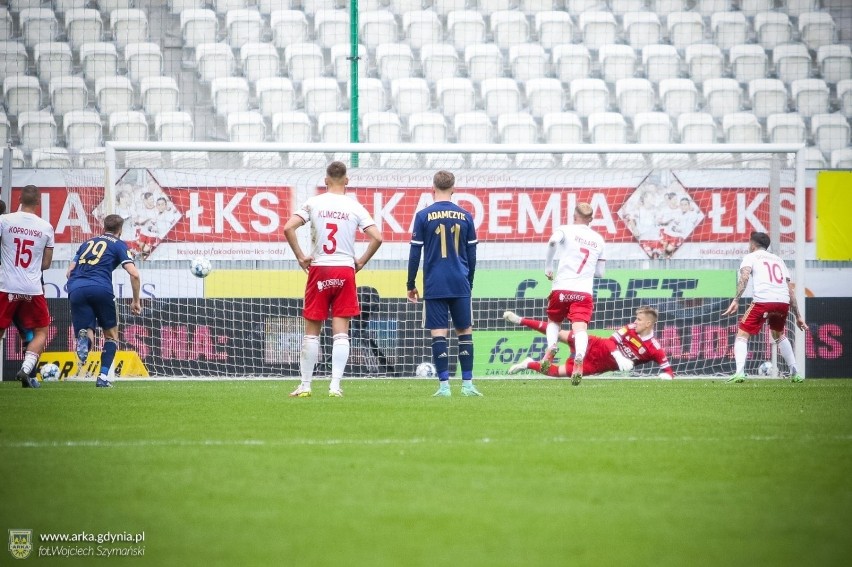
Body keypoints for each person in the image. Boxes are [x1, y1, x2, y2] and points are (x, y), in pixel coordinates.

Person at [284, 161, 383, 398]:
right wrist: (360, 262)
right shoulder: (355, 206)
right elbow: (377, 238)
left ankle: (306, 385)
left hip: (320, 269)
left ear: (326, 180)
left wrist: (300, 257)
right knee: (341, 333)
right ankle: (335, 386)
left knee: (311, 333)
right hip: (344, 271)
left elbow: (288, 228)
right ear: (346, 180)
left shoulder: (314, 203)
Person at [407, 170, 480, 397]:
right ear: (454, 189)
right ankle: (467, 385)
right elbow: (472, 254)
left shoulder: (422, 216)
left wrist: (411, 283)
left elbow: (414, 254)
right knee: (465, 332)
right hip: (460, 282)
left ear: (432, 188)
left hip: (434, 284)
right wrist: (469, 281)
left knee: (439, 334)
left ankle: (444, 387)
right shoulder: (466, 215)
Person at [67, 214, 143, 388]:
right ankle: (102, 377)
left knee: (87, 330)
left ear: (104, 227)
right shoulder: (119, 245)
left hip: (76, 288)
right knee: (111, 336)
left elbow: (69, 271)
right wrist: (136, 301)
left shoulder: (86, 243)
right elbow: (134, 273)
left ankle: (84, 339)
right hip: (100, 288)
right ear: (120, 230)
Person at [721, 231, 807, 383]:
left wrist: (736, 299)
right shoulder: (779, 260)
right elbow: (789, 290)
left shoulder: (750, 257)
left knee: (742, 335)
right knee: (778, 334)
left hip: (763, 301)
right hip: (782, 302)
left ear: (752, 244)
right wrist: (798, 316)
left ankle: (739, 372)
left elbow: (745, 276)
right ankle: (795, 371)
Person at [504, 306, 673, 380]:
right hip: (593, 344)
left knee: (556, 373)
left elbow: (668, 371)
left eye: (639, 319)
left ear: (648, 324)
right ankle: (520, 320)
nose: (635, 322)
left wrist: (665, 376)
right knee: (559, 334)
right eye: (636, 318)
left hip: (596, 365)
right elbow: (611, 342)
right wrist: (619, 357)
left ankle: (527, 364)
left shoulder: (654, 348)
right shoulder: (629, 328)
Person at [539, 202, 605, 385]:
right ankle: (580, 357)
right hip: (583, 291)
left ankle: (552, 347)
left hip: (561, 288)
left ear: (574, 215)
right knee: (580, 328)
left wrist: (548, 266)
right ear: (591, 219)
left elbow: (552, 241)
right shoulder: (599, 239)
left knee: (554, 322)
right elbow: (600, 273)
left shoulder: (565, 229)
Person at [0, 185, 55, 388]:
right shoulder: (46, 227)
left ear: (19, 199)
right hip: (32, 288)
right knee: (41, 331)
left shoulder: (4, 221)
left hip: (7, 286)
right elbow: (46, 264)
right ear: (38, 202)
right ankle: (27, 368)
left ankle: (26, 372)